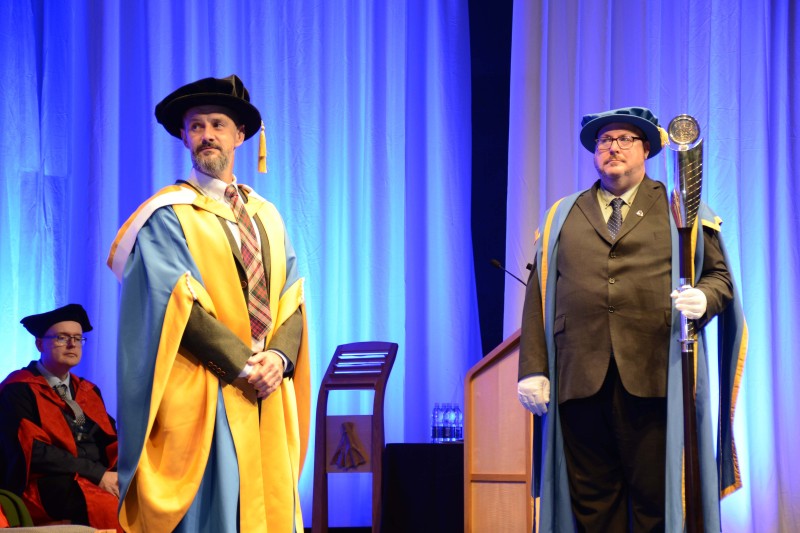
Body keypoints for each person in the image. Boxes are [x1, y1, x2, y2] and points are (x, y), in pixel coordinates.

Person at [517, 107, 746, 532]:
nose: (613, 148)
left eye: (624, 139)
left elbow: (719, 278)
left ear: (646, 150)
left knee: (654, 504)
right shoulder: (561, 216)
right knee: (592, 507)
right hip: (579, 384)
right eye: (605, 141)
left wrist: (704, 298)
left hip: (654, 377)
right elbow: (540, 296)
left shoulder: (682, 208)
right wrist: (532, 369)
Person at [107, 74, 310, 533]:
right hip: (207, 390)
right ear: (183, 136)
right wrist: (244, 367)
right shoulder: (166, 215)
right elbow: (175, 302)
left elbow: (291, 296)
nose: (207, 135)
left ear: (241, 136)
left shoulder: (267, 215)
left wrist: (277, 358)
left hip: (266, 391)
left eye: (218, 124)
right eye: (196, 126)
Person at [0, 304, 119, 530]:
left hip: (94, 476)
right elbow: (34, 451)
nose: (72, 344)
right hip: (45, 482)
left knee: (148, 496)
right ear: (39, 344)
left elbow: (109, 438)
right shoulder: (18, 389)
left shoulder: (88, 391)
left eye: (77, 338)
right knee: (109, 507)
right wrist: (98, 474)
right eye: (62, 337)